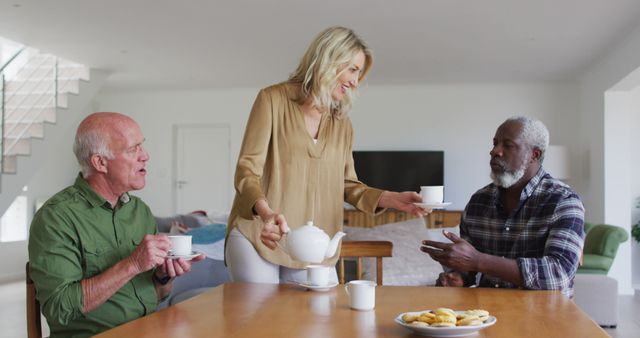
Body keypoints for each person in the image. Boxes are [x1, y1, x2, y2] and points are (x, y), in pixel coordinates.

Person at [225, 26, 427, 284]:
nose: (355, 81)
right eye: (353, 69)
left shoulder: (342, 123)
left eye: (359, 73)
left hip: (312, 246)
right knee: (262, 318)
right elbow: (247, 170)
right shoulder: (272, 100)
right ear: (329, 60)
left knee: (319, 319)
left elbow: (347, 184)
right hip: (259, 234)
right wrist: (266, 214)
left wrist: (393, 199)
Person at [28, 112, 204, 337]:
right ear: (100, 162)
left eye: (142, 146)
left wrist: (164, 275)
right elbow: (59, 308)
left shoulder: (140, 211)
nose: (146, 156)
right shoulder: (56, 218)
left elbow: (158, 295)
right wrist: (132, 264)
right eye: (133, 149)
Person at [421, 116, 585, 298]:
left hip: (543, 318)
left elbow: (558, 275)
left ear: (534, 155)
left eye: (507, 145)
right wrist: (458, 277)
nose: (494, 151)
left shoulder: (563, 201)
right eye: (495, 144)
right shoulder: (479, 201)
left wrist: (479, 261)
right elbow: (469, 267)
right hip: (485, 314)